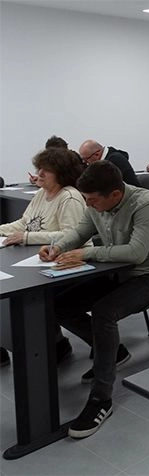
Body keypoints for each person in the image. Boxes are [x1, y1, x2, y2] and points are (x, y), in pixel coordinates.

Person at [42, 160, 149, 439]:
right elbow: (80, 232)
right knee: (60, 306)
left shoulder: (146, 204)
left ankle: (101, 399)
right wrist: (57, 247)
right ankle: (114, 352)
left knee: (104, 312)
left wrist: (87, 253)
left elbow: (136, 253)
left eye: (92, 200)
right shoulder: (96, 202)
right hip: (117, 272)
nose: (88, 205)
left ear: (115, 194)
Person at [0, 148, 85, 366]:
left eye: (46, 170)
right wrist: (1, 230)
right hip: (37, 260)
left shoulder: (70, 197)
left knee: (32, 298)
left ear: (61, 173)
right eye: (39, 168)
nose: (39, 174)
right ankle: (54, 343)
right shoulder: (41, 193)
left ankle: (56, 344)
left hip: (65, 263)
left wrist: (27, 237)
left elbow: (71, 235)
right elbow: (24, 223)